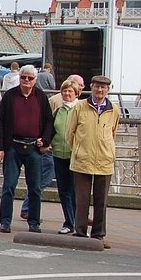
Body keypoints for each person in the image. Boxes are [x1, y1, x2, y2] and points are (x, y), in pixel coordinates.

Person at [0, 64, 54, 233]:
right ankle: (5, 221)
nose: (26, 81)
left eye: (30, 78)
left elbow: (49, 121)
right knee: (9, 186)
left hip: (33, 147)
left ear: (35, 80)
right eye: (23, 77)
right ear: (19, 78)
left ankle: (34, 222)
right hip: (13, 146)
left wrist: (46, 140)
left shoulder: (41, 97)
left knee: (35, 187)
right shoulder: (9, 97)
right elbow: (0, 122)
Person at [68, 75, 120, 247]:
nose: (100, 90)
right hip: (83, 159)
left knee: (101, 201)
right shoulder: (80, 107)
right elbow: (71, 132)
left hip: (104, 161)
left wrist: (108, 151)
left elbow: (114, 132)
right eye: (97, 87)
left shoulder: (114, 110)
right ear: (91, 87)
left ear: (108, 90)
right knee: (82, 199)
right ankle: (80, 231)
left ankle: (98, 235)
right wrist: (78, 149)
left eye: (103, 87)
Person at [50, 80, 81, 234]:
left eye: (70, 91)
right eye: (64, 91)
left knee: (75, 190)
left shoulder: (80, 109)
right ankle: (69, 222)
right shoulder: (58, 111)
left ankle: (77, 222)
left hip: (75, 156)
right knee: (63, 190)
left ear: (76, 93)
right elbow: (51, 129)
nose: (67, 94)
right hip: (58, 154)